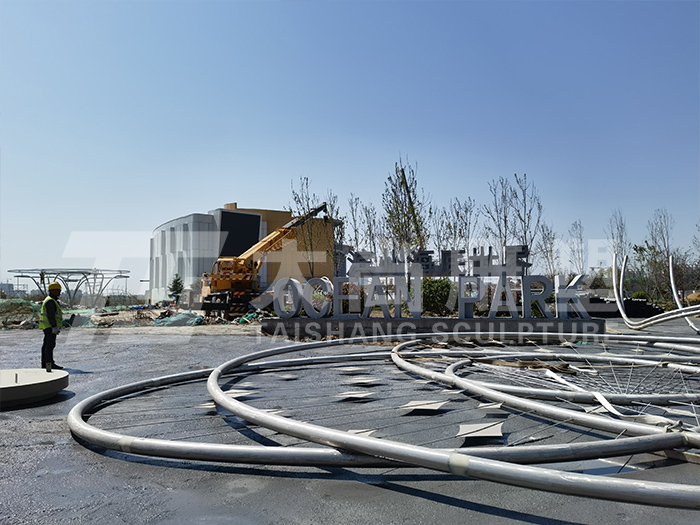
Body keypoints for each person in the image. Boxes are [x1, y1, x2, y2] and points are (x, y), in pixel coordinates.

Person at [39, 282, 64, 370]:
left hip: (48, 327)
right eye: (58, 290)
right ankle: (49, 363)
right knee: (49, 345)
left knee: (47, 345)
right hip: (50, 327)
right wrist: (54, 326)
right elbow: (51, 315)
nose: (59, 292)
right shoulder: (50, 301)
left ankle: (46, 363)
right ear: (53, 290)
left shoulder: (51, 300)